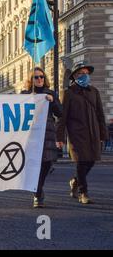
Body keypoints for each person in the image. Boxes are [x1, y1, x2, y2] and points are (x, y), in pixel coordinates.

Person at [56, 61, 108, 204]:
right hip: (76, 134)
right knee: (81, 162)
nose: (84, 75)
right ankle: (83, 193)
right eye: (81, 73)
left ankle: (75, 181)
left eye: (86, 73)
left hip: (93, 133)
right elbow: (62, 117)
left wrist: (103, 134)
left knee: (91, 161)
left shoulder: (94, 91)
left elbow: (100, 114)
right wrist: (59, 137)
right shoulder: (68, 93)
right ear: (75, 76)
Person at [21, 67, 62, 208]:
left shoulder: (50, 93)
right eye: (36, 77)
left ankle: (38, 189)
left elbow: (60, 113)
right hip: (31, 134)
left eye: (41, 77)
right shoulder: (25, 94)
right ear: (30, 79)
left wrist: (52, 101)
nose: (39, 79)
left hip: (47, 133)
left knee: (46, 164)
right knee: (33, 164)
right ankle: (37, 194)